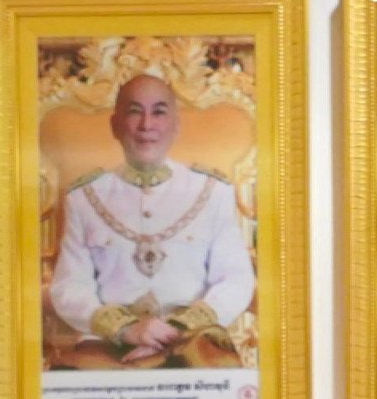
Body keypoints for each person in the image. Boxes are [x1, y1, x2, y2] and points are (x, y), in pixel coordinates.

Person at [42, 70, 254, 370]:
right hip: (108, 346)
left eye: (159, 112)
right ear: (115, 125)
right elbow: (68, 287)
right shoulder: (85, 197)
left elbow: (236, 279)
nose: (147, 125)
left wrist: (176, 330)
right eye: (134, 112)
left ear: (176, 125)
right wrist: (126, 329)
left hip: (193, 343)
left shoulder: (213, 191)